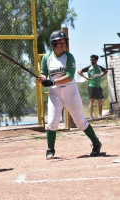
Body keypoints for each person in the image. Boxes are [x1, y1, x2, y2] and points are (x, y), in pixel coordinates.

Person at [38, 30, 102, 159]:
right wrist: (43, 78)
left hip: (70, 90)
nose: (63, 44)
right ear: (53, 43)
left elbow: (70, 76)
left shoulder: (69, 56)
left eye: (64, 42)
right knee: (52, 122)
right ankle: (50, 149)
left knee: (80, 122)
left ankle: (96, 143)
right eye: (60, 42)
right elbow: (44, 73)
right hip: (55, 92)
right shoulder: (47, 58)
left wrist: (52, 81)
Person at [78, 55, 108, 119]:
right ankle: (91, 116)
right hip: (91, 86)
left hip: (98, 86)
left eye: (93, 60)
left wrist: (102, 75)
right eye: (91, 60)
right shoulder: (89, 68)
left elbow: (106, 71)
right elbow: (79, 72)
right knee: (92, 101)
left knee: (100, 101)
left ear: (96, 60)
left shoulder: (99, 68)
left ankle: (100, 115)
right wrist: (85, 77)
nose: (92, 61)